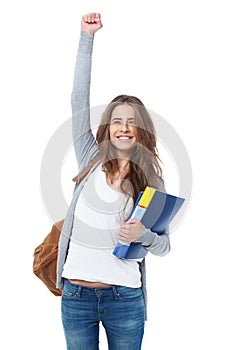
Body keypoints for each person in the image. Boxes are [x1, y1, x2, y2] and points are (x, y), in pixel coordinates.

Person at [57, 13, 170, 350]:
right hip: (76, 297)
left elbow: (164, 247)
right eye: (116, 120)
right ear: (107, 128)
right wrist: (86, 38)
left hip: (124, 299)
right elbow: (78, 99)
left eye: (131, 122)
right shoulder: (89, 157)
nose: (123, 127)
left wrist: (143, 234)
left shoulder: (151, 180)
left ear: (140, 130)